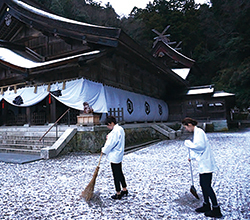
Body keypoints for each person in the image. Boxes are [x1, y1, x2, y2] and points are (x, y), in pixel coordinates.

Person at [182, 117, 223, 218]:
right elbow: (199, 148)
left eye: (186, 127)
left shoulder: (199, 132)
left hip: (206, 163)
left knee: (207, 186)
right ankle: (206, 205)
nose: (186, 129)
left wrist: (188, 144)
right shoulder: (197, 132)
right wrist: (191, 156)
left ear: (190, 125)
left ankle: (216, 209)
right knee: (203, 185)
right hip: (203, 163)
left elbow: (200, 146)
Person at [101, 116, 128, 200]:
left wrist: (103, 150)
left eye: (108, 125)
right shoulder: (120, 129)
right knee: (119, 172)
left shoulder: (115, 132)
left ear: (111, 123)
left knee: (116, 174)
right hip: (119, 154)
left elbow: (110, 144)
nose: (108, 127)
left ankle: (118, 192)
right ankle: (124, 189)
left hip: (114, 155)